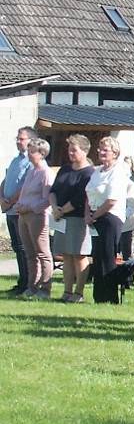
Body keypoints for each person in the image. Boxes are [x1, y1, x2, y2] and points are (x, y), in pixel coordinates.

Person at [84, 137, 130, 304]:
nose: (101, 153)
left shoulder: (117, 172)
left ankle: (110, 297)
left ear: (115, 153)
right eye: (100, 149)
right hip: (94, 217)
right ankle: (99, 297)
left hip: (110, 217)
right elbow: (88, 194)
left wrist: (94, 216)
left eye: (105, 150)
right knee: (97, 257)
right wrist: (87, 214)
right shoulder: (97, 171)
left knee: (107, 257)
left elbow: (111, 200)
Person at [49, 135, 93, 303]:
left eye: (74, 150)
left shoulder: (89, 173)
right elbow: (54, 190)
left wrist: (63, 210)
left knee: (78, 255)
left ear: (84, 150)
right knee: (66, 255)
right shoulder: (65, 169)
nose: (71, 153)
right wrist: (55, 208)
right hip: (61, 219)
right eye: (69, 150)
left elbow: (80, 197)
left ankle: (79, 292)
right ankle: (67, 291)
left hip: (77, 219)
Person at [12, 138, 53, 298]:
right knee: (30, 253)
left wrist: (29, 208)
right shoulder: (31, 171)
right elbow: (24, 193)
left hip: (37, 216)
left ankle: (45, 289)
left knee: (42, 253)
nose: (29, 155)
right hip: (23, 215)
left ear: (42, 154)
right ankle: (32, 287)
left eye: (32, 152)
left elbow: (46, 199)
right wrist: (18, 205)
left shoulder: (46, 173)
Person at [2, 126, 35, 294]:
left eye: (21, 138)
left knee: (24, 248)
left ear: (31, 140)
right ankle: (21, 281)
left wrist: (9, 201)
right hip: (9, 210)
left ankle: (27, 283)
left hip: (20, 211)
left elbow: (25, 187)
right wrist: (2, 198)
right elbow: (6, 180)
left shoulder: (31, 162)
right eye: (17, 138)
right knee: (16, 246)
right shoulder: (16, 160)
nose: (18, 141)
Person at [119, 155, 134, 260]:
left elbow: (133, 205)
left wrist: (121, 217)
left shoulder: (132, 184)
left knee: (127, 252)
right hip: (118, 222)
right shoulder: (118, 184)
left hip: (129, 222)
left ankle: (129, 275)